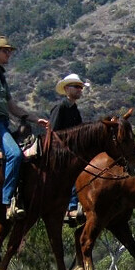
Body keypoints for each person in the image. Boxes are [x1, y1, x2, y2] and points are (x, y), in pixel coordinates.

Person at [0, 36, 49, 220]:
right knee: (15, 154)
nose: (9, 54)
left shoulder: (0, 76)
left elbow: (12, 107)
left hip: (3, 122)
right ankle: (8, 201)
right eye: (5, 51)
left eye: (9, 51)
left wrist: (34, 119)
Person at [49, 73, 89, 220]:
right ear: (66, 89)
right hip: (59, 152)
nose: (79, 90)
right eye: (76, 87)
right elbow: (53, 133)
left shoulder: (74, 110)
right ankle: (72, 206)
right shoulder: (60, 108)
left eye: (80, 87)